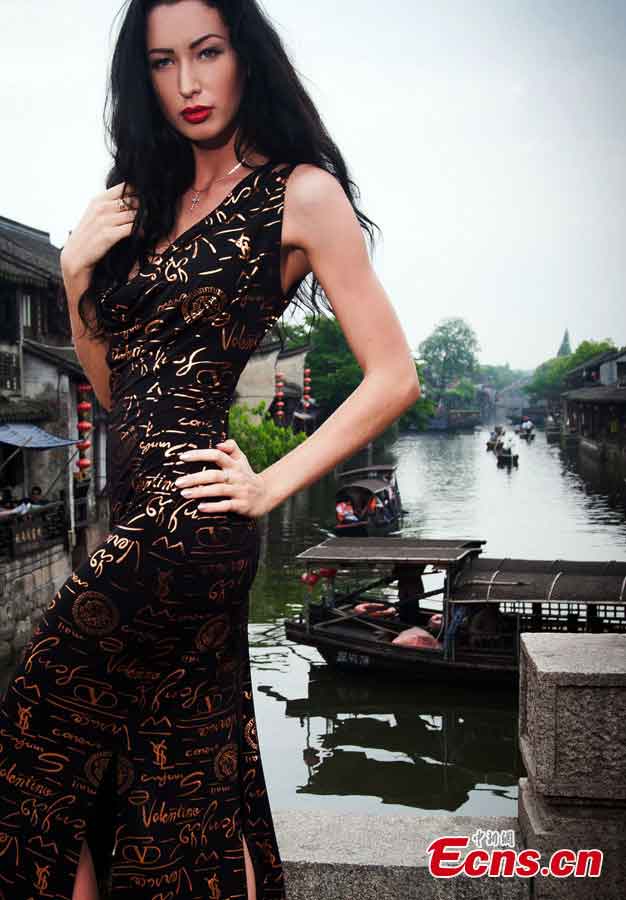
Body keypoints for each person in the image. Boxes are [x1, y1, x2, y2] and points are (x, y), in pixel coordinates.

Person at [0, 2, 421, 899]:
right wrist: (77, 277)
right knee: (181, 762)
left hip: (192, 520)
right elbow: (117, 397)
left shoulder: (298, 192)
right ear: (140, 77)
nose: (188, 83)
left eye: (207, 52)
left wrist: (268, 483)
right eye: (162, 62)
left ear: (244, 56)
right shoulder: (138, 201)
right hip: (144, 509)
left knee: (34, 733)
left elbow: (393, 377)